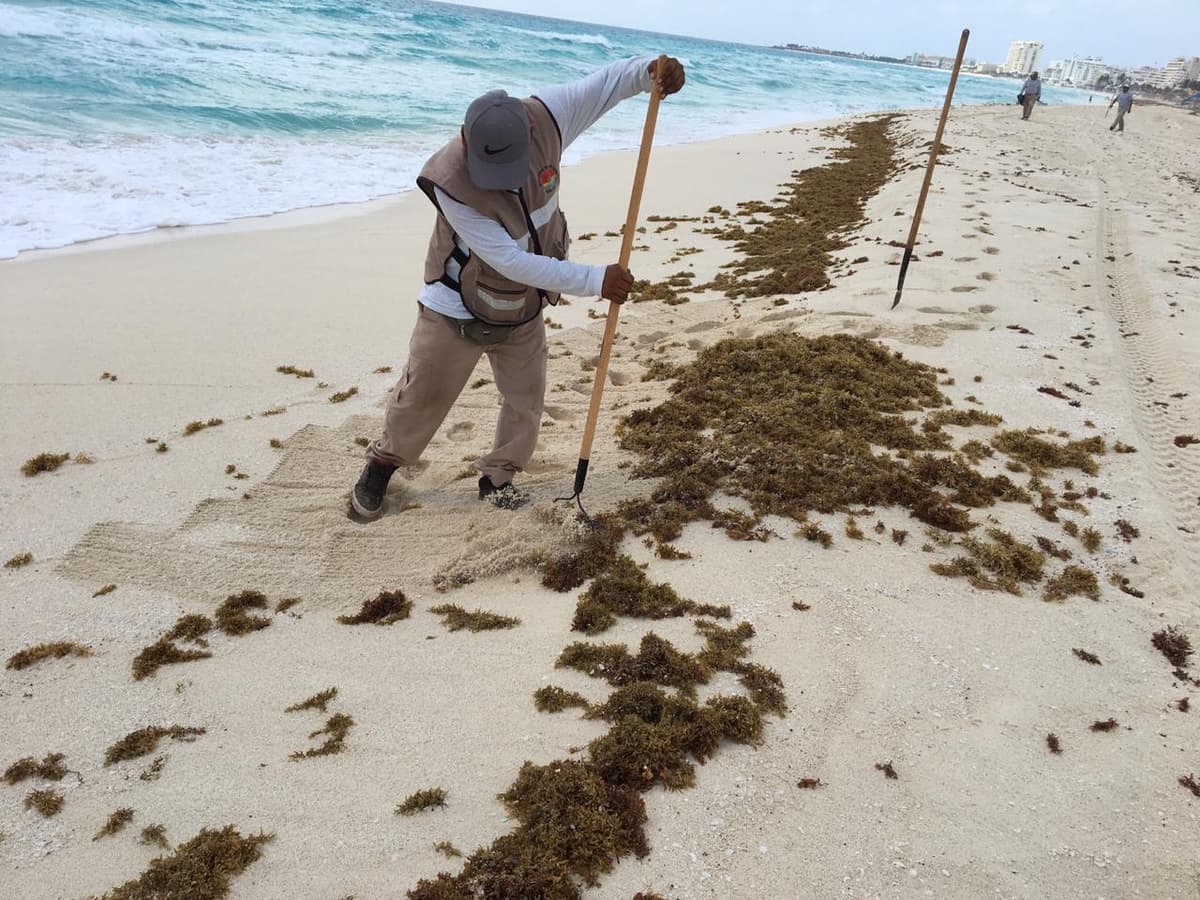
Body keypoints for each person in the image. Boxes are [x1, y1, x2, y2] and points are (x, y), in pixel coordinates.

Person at [349, 56, 687, 520]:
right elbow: (511, 260)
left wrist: (650, 72)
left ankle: (498, 478)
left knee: (526, 400)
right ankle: (382, 465)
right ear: (467, 143)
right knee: (421, 396)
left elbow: (607, 83)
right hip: (456, 305)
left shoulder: (548, 116)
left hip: (524, 308)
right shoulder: (449, 182)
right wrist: (596, 280)